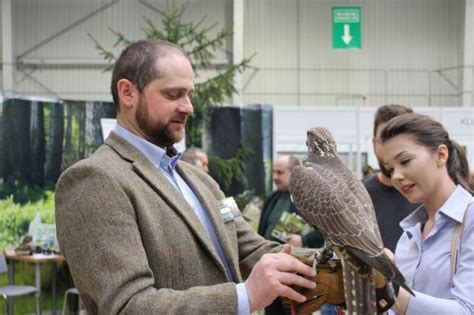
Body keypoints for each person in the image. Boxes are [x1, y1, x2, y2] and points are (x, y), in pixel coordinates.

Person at [54, 39, 318, 314]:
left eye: (189, 94)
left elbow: (250, 249)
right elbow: (127, 306)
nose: (188, 107)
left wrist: (337, 263)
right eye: (173, 94)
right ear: (128, 93)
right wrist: (245, 296)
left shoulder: (203, 182)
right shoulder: (93, 181)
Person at [380, 113, 474, 314]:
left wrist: (386, 284)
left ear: (441, 155)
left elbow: (467, 310)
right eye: (390, 170)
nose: (396, 176)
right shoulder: (410, 235)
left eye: (405, 161)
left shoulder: (470, 219)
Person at [258, 155, 324, 315]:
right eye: (273, 172)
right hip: (273, 271)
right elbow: (261, 230)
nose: (275, 177)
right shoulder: (272, 198)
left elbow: (325, 232)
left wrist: (303, 240)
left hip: (297, 274)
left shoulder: (309, 200)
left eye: (280, 173)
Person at [362, 104, 420, 252]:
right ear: (375, 144)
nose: (393, 148)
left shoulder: (428, 197)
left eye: (400, 138)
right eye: (385, 139)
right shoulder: (357, 195)